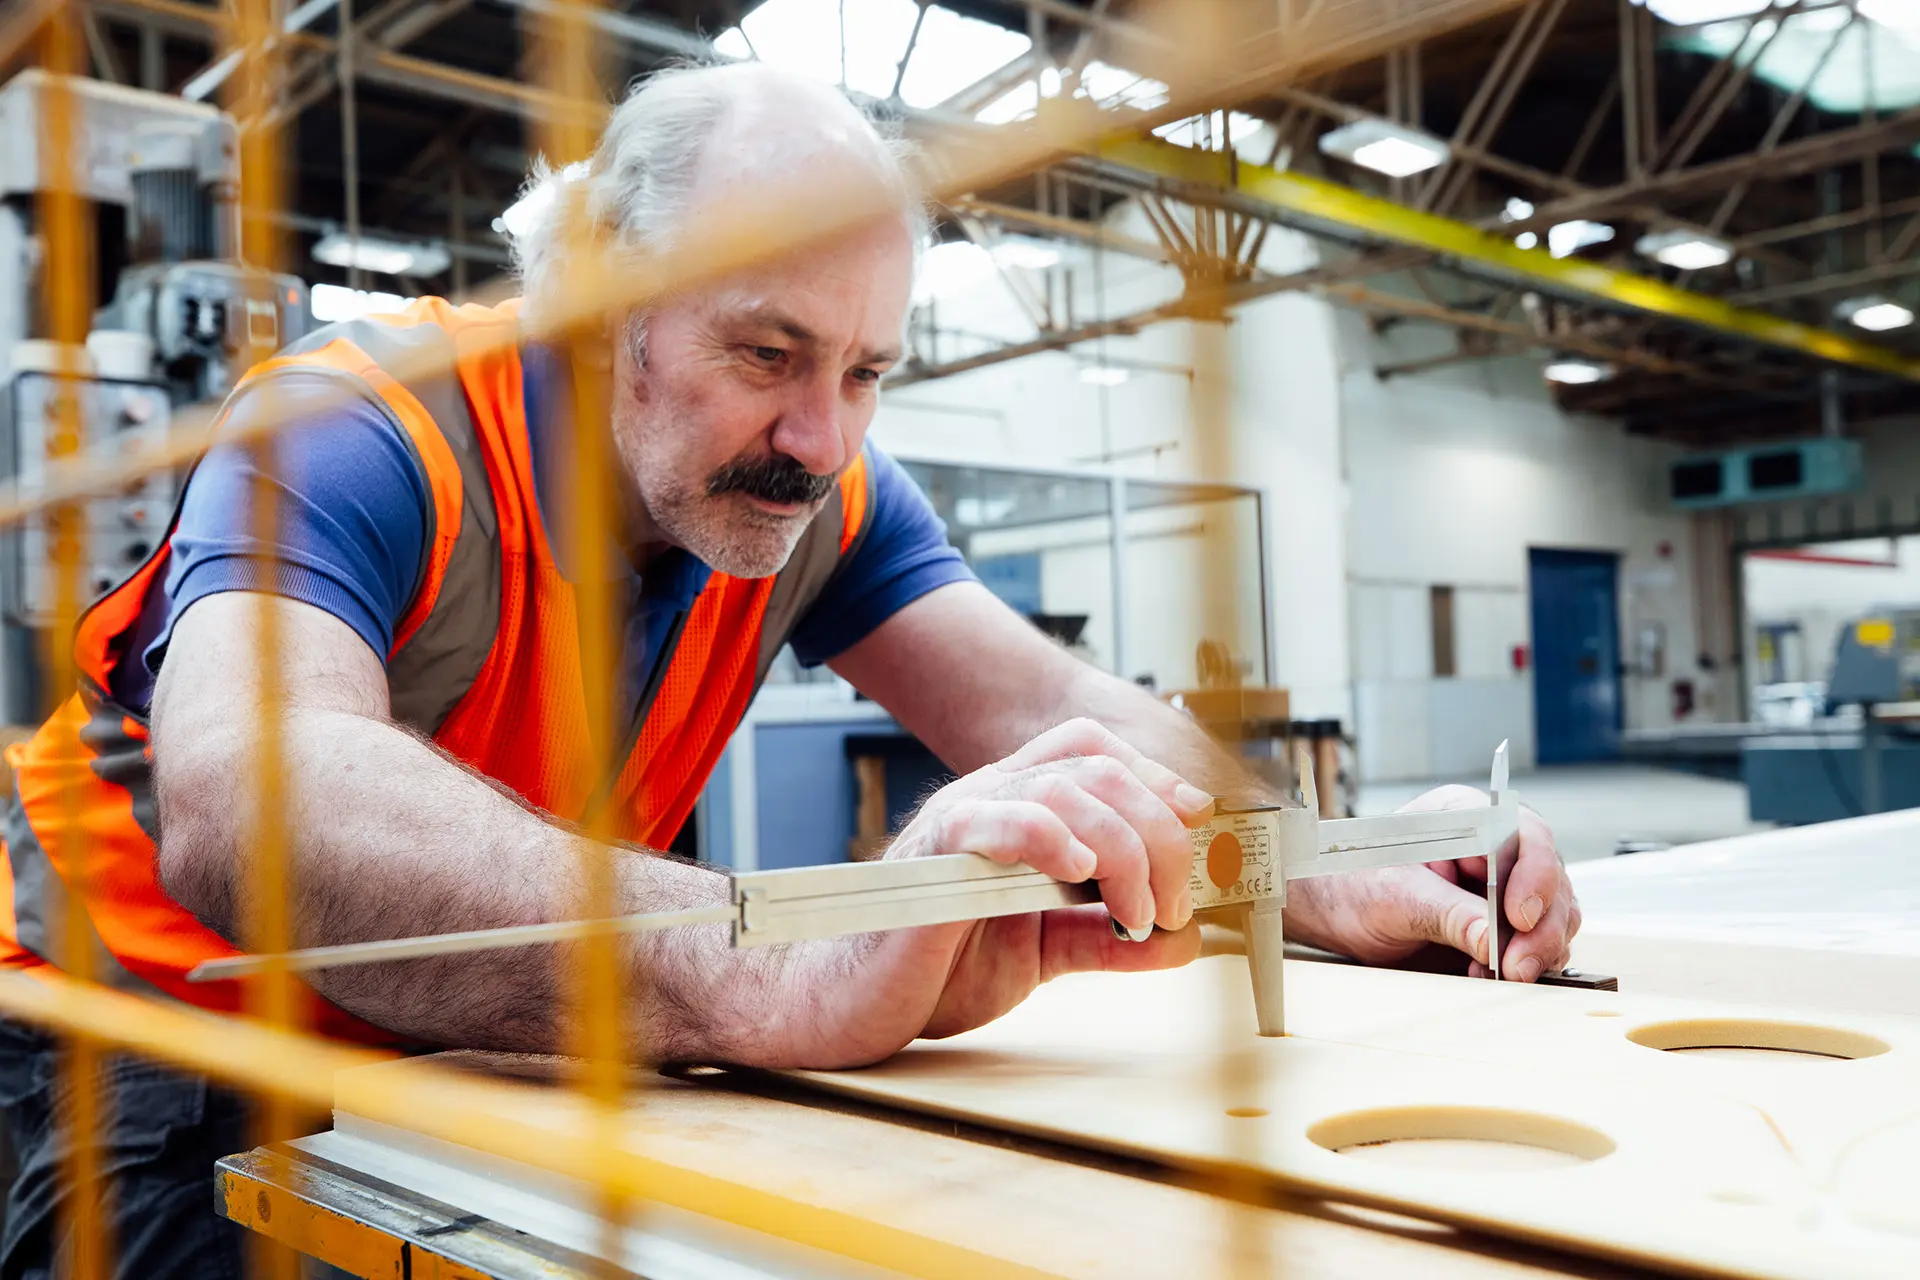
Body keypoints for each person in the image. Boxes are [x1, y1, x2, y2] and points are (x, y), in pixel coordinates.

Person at [0, 62, 1578, 1278]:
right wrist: (765, 970)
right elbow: (246, 795)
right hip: (140, 1030)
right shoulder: (364, 425)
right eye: (768, 355)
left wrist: (1314, 863)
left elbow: (1041, 705)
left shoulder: (816, 491)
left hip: (450, 1028)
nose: (822, 439)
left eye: (867, 372)